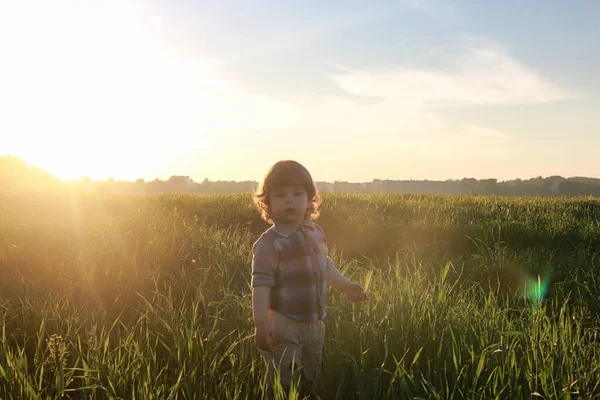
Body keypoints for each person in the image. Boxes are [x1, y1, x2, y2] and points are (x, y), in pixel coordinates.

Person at [251, 160, 368, 399]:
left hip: (315, 323)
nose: (290, 200)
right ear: (268, 203)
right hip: (283, 324)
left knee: (311, 376)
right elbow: (261, 285)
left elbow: (324, 266)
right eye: (280, 195)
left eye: (297, 193)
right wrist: (261, 324)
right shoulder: (269, 243)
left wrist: (345, 286)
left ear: (309, 200)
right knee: (284, 381)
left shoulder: (315, 232)